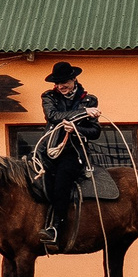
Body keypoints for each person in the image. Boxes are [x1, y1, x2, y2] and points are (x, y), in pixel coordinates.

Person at [37, 62, 101, 247]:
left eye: (64, 82)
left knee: (62, 181)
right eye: (57, 83)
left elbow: (95, 132)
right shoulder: (49, 96)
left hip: (74, 153)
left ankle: (57, 227)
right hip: (48, 150)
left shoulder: (90, 100)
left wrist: (76, 129)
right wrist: (83, 113)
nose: (60, 86)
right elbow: (53, 115)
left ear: (74, 79)